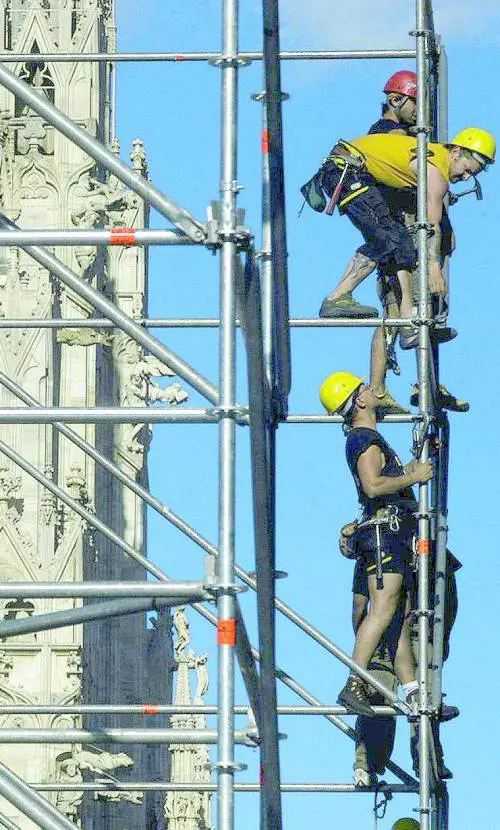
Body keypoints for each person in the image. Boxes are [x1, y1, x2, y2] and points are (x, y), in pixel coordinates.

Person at [319, 370, 434, 715]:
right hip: (386, 536)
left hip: (386, 534)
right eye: (365, 387)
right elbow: (372, 486)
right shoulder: (365, 438)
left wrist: (408, 472)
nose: (372, 388)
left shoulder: (363, 437)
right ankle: (354, 681)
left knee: (393, 617)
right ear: (360, 400)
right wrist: (413, 475)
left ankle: (411, 689)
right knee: (383, 611)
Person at [319, 70, 418, 319]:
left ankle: (404, 319)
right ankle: (337, 297)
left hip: (349, 182)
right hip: (352, 180)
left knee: (391, 242)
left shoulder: (382, 130)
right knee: (390, 238)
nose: (420, 111)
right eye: (416, 103)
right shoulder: (395, 133)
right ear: (396, 101)